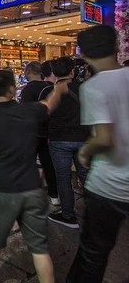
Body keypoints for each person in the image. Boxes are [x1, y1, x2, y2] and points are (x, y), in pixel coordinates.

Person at [0, 69, 68, 283]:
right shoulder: (31, 111)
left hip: (1, 189)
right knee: (39, 248)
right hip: (32, 187)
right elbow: (50, 103)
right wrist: (59, 89)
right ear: (13, 89)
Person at [66, 25, 129, 283]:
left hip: (109, 186)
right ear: (116, 46)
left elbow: (103, 138)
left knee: (94, 252)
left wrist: (85, 152)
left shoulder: (93, 87)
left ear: (83, 55)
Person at [38, 57, 90, 229]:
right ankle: (96, 213)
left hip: (59, 140)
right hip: (82, 139)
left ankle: (68, 215)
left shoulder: (50, 93)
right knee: (86, 176)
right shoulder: (84, 89)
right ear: (72, 71)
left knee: (63, 178)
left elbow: (44, 117)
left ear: (53, 73)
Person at [21, 61, 59, 205]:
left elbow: (25, 112)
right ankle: (54, 194)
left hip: (32, 131)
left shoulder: (28, 90)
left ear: (29, 71)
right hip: (48, 130)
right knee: (48, 163)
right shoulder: (50, 86)